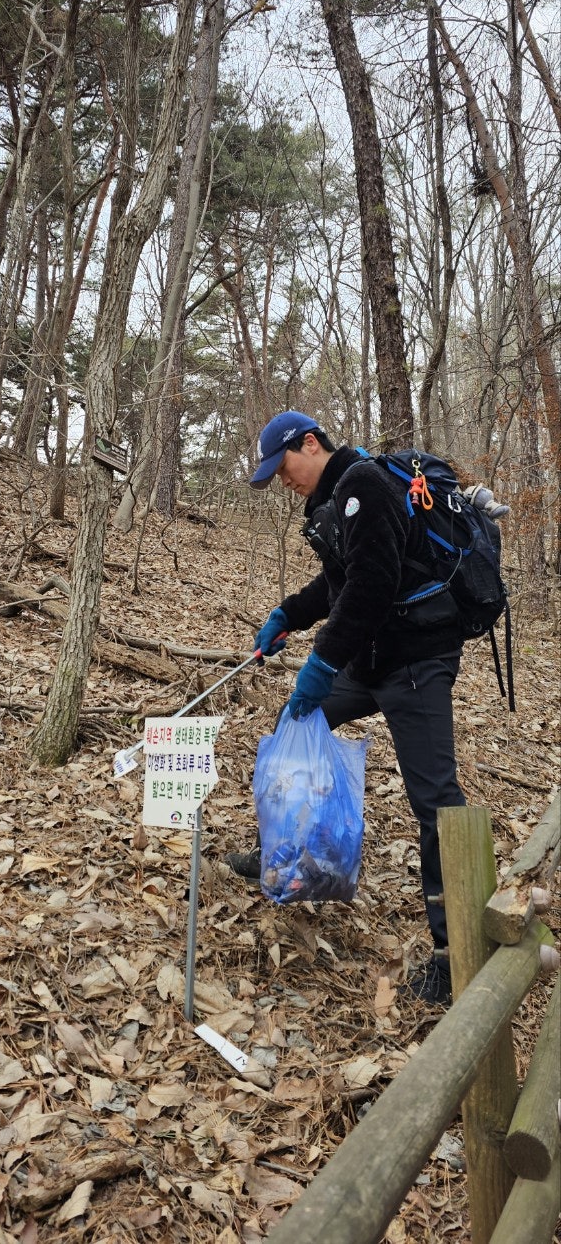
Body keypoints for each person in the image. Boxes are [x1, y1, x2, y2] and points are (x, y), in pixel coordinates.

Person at [226, 410, 467, 1007]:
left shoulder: (363, 483)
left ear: (310, 444)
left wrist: (322, 662)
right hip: (373, 657)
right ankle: (283, 851)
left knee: (436, 801)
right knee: (297, 723)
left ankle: (454, 953)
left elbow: (372, 584)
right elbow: (338, 585)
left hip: (416, 659)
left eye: (283, 467)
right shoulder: (330, 505)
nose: (283, 481)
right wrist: (288, 615)